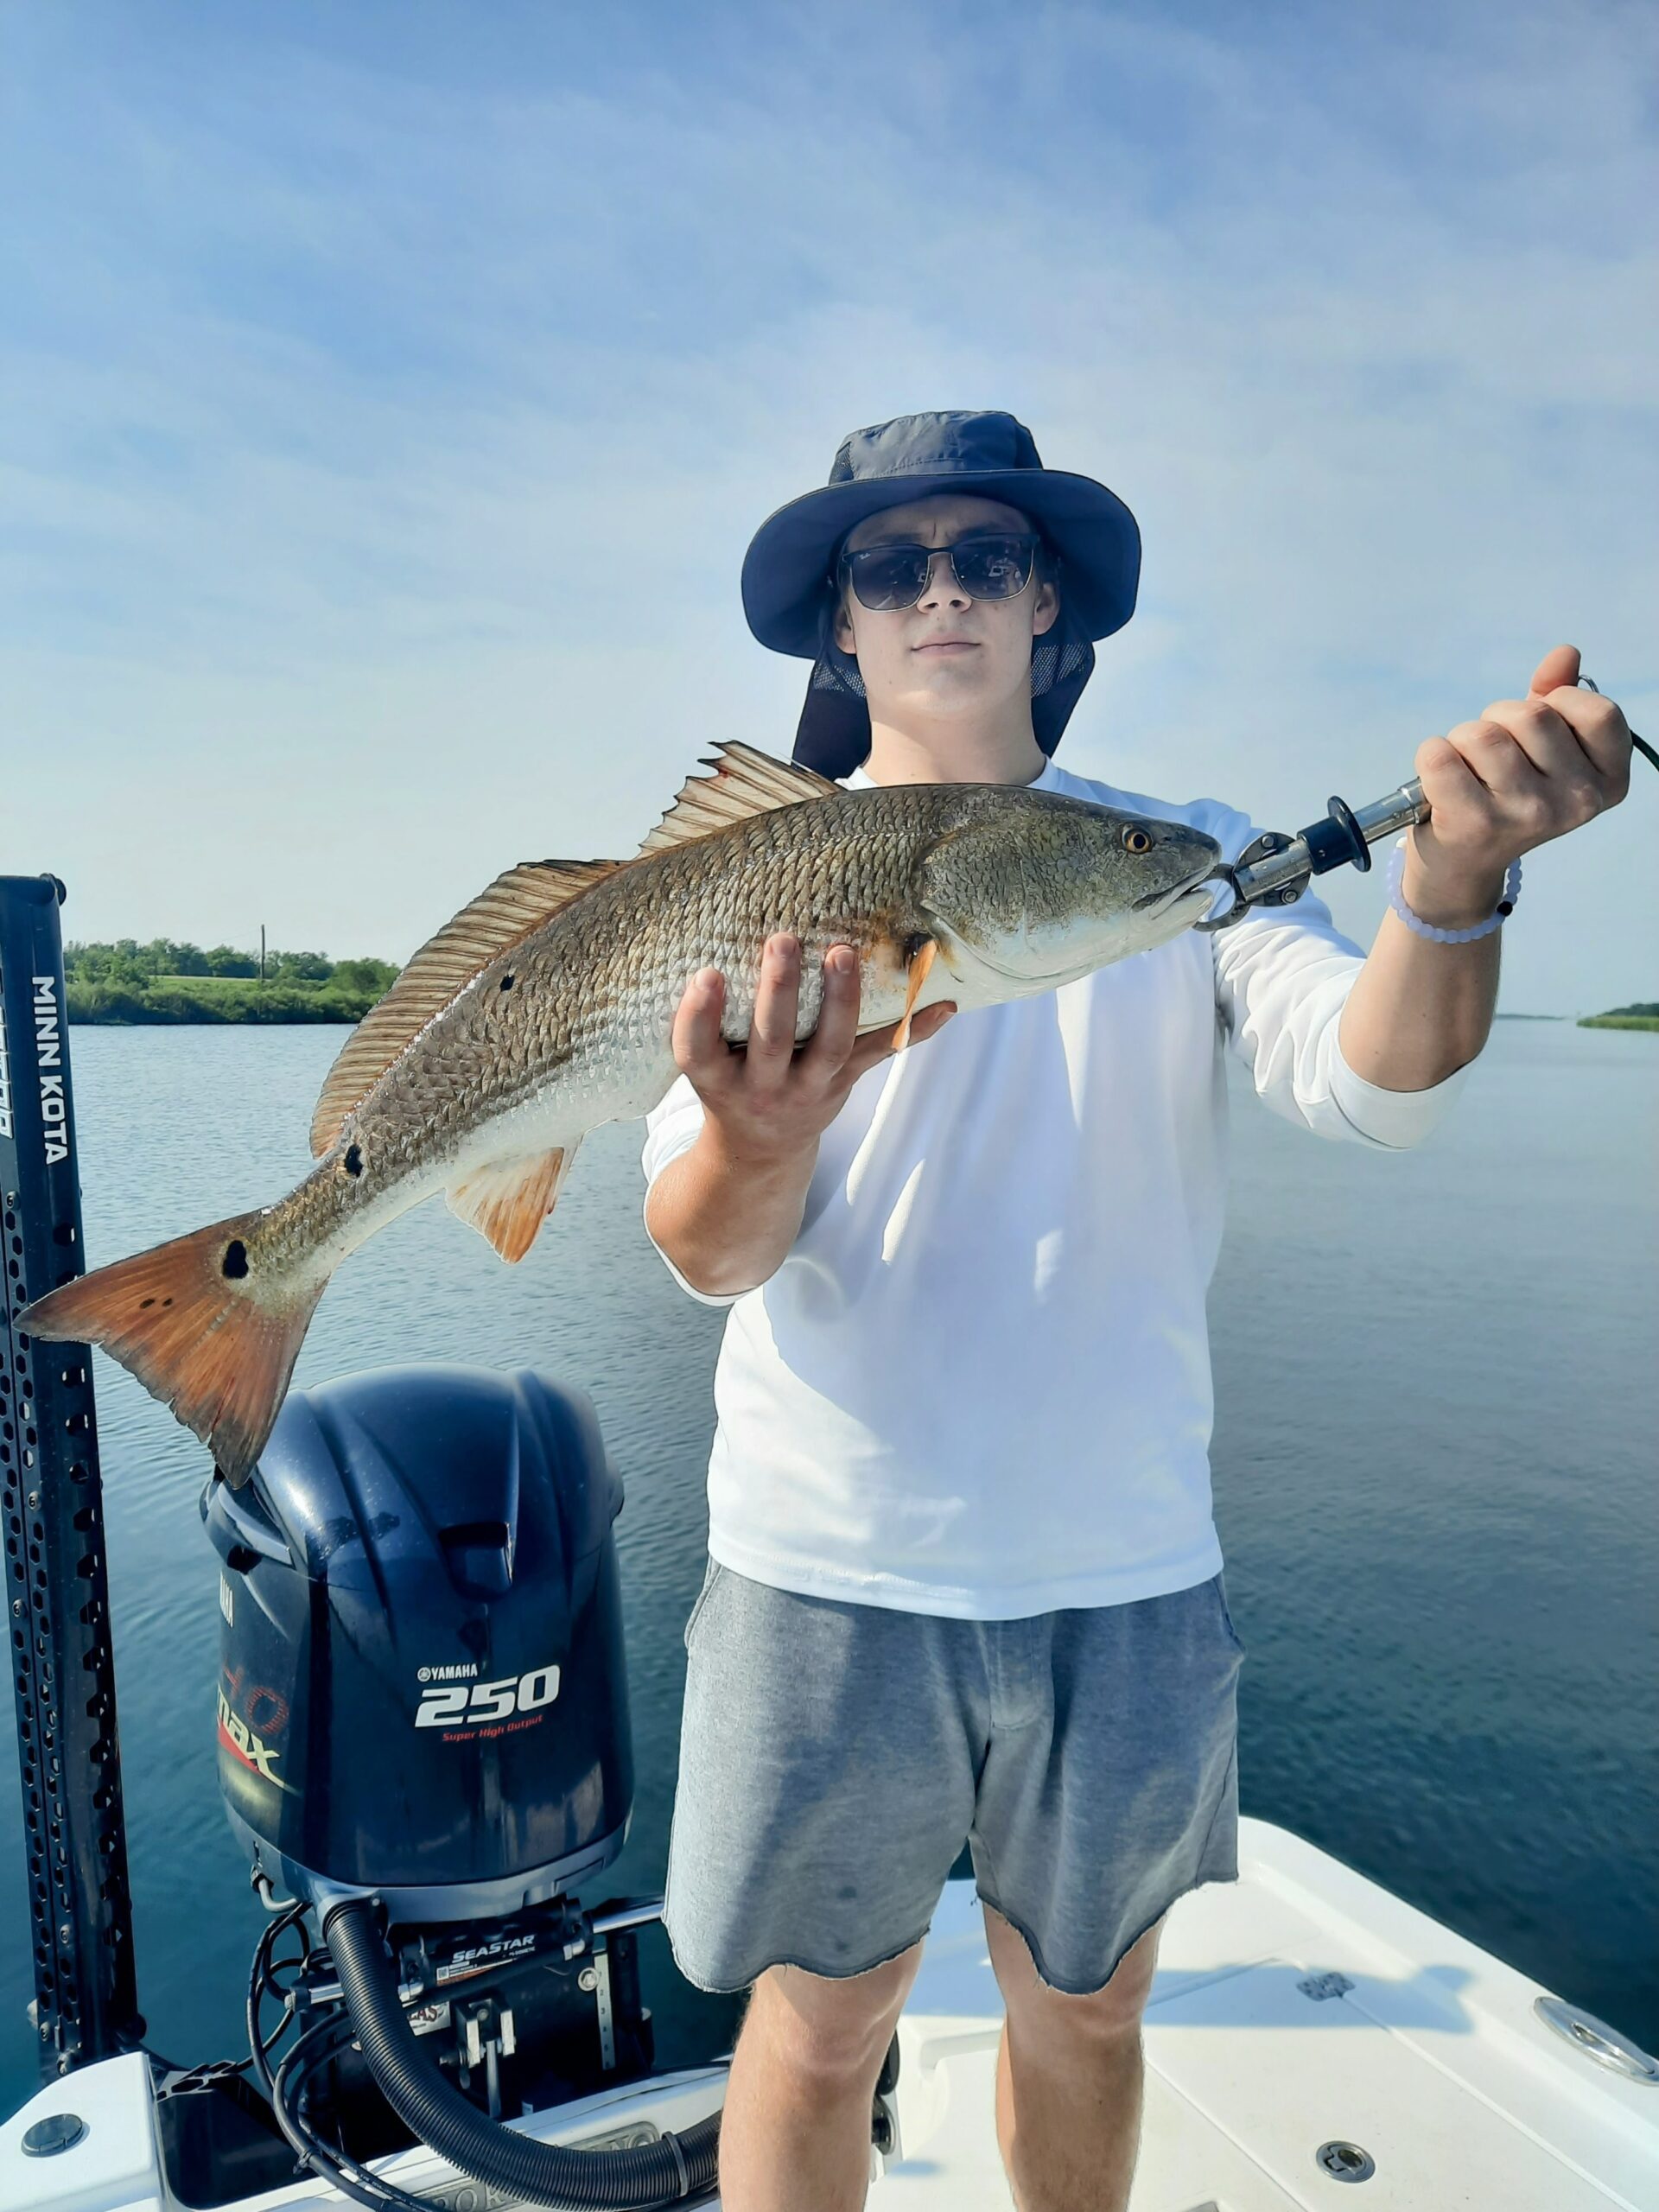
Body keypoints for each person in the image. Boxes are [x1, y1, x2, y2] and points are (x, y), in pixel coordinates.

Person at [639, 411, 1632, 2212]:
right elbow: (705, 1252)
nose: (942, 592)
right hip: (824, 1562)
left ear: (1051, 605)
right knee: (819, 2026)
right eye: (892, 566)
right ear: (841, 626)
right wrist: (757, 1136)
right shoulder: (750, 885)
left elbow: (1372, 1077)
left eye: (988, 557)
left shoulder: (1181, 857)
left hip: (1127, 1568)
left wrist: (1452, 887)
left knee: (1091, 2013)